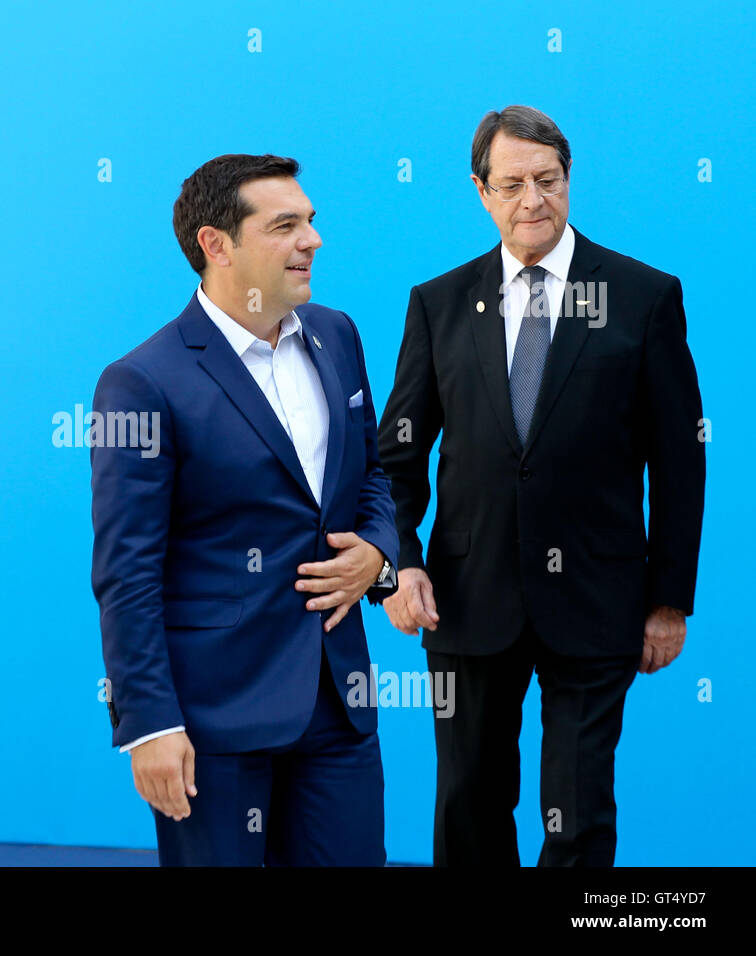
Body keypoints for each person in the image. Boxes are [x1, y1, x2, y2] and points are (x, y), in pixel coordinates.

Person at [377, 105, 705, 866]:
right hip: (466, 595)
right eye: (513, 183)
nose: (533, 201)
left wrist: (668, 600)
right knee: (469, 802)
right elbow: (396, 454)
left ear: (569, 180)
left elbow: (680, 463)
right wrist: (402, 562)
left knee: (578, 808)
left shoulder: (643, 295)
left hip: (598, 599)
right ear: (481, 192)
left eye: (549, 180)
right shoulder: (439, 302)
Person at [90, 154, 399, 866]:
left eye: (311, 222)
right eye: (285, 225)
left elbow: (372, 476)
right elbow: (126, 571)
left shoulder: (337, 335)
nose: (312, 240)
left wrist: (379, 554)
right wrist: (148, 724)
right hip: (211, 724)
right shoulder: (140, 382)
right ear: (215, 244)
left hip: (338, 704)